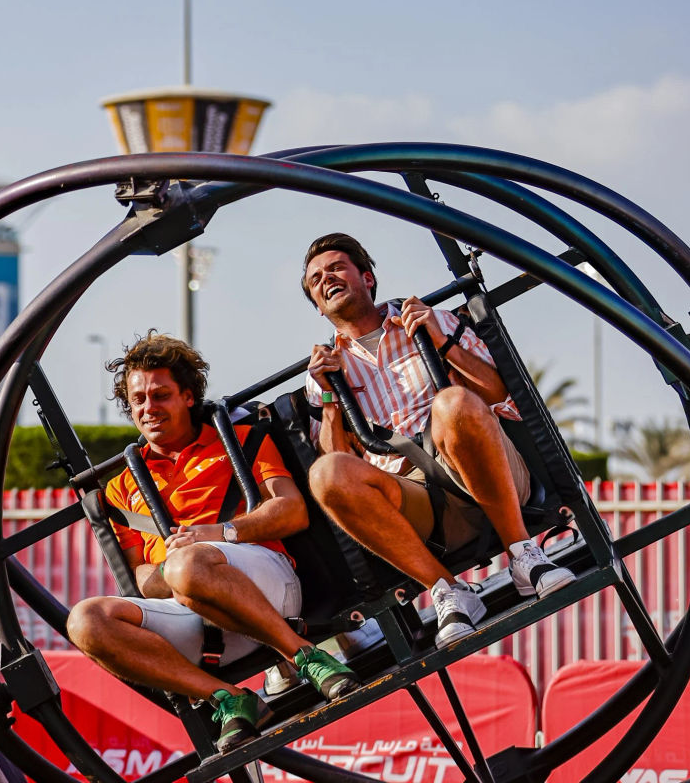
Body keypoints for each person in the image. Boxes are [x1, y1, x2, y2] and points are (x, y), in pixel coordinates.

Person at [66, 331, 358, 752]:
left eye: (160, 395)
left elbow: (291, 511)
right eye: (139, 400)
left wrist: (216, 536)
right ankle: (225, 697)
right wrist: (178, 569)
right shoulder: (120, 487)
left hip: (267, 587)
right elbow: (142, 577)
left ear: (188, 396)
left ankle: (302, 655)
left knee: (189, 565)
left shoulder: (238, 439)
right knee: (85, 620)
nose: (149, 408)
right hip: (192, 616)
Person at [299, 233, 575, 649]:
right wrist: (329, 399)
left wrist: (443, 343)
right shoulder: (325, 372)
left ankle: (523, 552)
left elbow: (503, 398)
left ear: (367, 278)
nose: (326, 279)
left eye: (336, 267)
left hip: (479, 468)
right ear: (318, 307)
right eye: (316, 279)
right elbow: (338, 473)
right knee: (324, 473)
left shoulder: (432, 320)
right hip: (415, 501)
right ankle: (447, 590)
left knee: (453, 403)